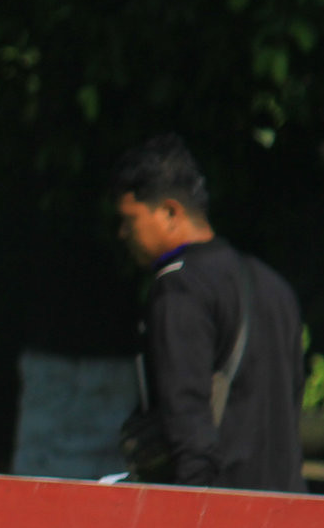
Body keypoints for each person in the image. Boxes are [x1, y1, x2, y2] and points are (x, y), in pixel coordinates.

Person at [113, 134, 305, 491]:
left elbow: (187, 415)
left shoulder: (179, 287)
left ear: (170, 212)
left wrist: (194, 513)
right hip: (287, 504)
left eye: (130, 219)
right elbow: (292, 404)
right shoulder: (273, 285)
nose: (123, 232)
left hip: (223, 511)